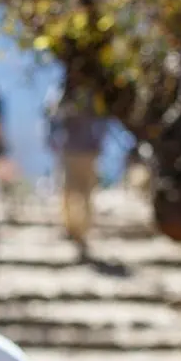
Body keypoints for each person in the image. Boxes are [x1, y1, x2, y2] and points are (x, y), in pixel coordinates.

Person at [47, 85, 111, 260]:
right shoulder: (65, 94)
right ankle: (73, 229)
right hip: (74, 150)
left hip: (84, 150)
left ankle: (81, 230)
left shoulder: (76, 94)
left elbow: (103, 120)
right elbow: (53, 118)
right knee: (71, 190)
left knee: (83, 191)